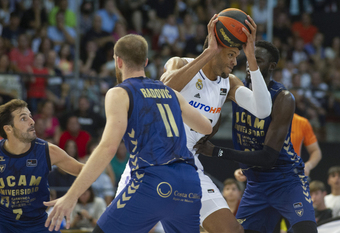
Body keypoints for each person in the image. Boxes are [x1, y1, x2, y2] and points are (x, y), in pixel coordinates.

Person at [116, 13, 271, 233]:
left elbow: (263, 110)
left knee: (232, 230)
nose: (235, 62)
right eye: (230, 54)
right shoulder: (180, 63)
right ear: (215, 48)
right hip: (150, 163)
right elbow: (162, 91)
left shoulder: (229, 83)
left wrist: (252, 59)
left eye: (237, 56)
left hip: (188, 166)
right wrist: (208, 53)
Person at [44, 34, 212, 232]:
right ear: (146, 62)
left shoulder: (119, 92)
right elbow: (206, 127)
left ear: (118, 61)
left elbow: (108, 147)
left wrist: (71, 196)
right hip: (189, 182)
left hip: (153, 181)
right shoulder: (171, 93)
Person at [195, 41, 318, 233]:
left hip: (285, 178)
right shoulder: (236, 88)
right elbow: (214, 112)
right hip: (256, 183)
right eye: (247, 61)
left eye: (257, 61)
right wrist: (207, 132)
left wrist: (217, 151)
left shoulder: (283, 98)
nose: (249, 66)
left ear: (271, 66)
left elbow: (268, 157)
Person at [0, 99, 84, 232]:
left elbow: (85, 171)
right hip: (4, 225)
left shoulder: (47, 151)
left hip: (38, 224)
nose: (32, 121)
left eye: (30, 116)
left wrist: (71, 196)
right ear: (8, 128)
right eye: (23, 118)